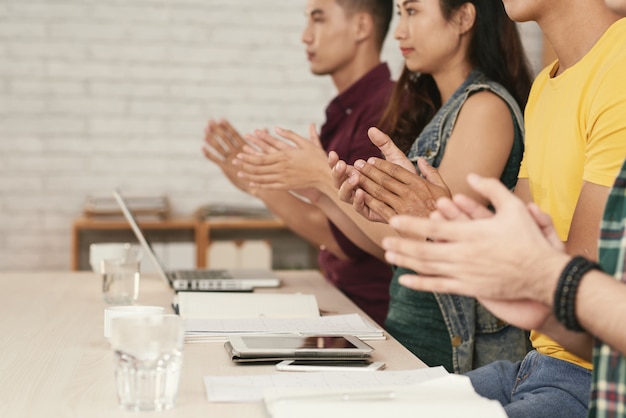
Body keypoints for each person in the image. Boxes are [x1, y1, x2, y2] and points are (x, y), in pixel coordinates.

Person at [233, 0, 533, 373]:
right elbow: (393, 248)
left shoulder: (486, 107)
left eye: (413, 12)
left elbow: (428, 237)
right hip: (412, 339)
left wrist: (322, 176)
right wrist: (322, 194)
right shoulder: (444, 110)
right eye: (400, 13)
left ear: (463, 18)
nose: (399, 31)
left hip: (455, 357)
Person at [381, 1, 626, 417]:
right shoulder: (545, 89)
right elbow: (524, 246)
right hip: (537, 362)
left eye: (413, 11)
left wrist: (443, 221)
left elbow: (584, 277)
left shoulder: (619, 69)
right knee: (373, 406)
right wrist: (442, 215)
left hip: (591, 375)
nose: (400, 31)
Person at [202, 0, 395, 326]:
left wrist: (258, 182)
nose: (305, 36)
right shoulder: (347, 111)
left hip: (370, 318)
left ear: (361, 27)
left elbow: (348, 240)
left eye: (318, 20)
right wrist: (261, 175)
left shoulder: (381, 112)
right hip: (340, 298)